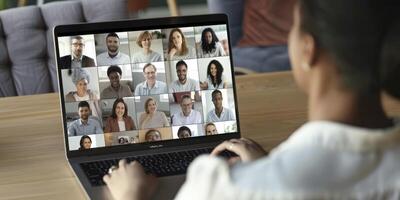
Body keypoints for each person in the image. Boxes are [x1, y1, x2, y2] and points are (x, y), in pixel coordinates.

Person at [103, 1, 400, 199]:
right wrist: (268, 165)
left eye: (294, 26)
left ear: (308, 49)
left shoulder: (226, 188)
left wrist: (132, 196)